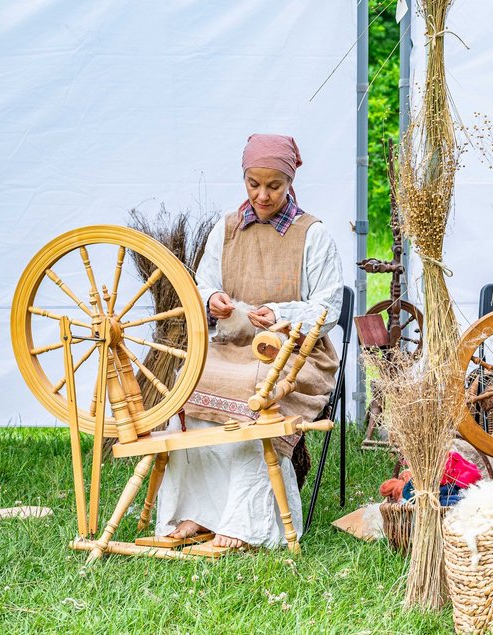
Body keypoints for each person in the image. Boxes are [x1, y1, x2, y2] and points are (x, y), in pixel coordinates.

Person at [155, 134, 343, 549]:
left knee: (255, 393)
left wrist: (281, 316)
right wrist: (212, 300)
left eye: (273, 185)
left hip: (294, 353)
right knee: (190, 382)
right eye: (253, 183)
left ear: (290, 181)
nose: (262, 194)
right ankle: (195, 513)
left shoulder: (312, 235)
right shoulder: (226, 229)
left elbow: (329, 307)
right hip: (232, 344)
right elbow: (203, 283)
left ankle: (244, 523)